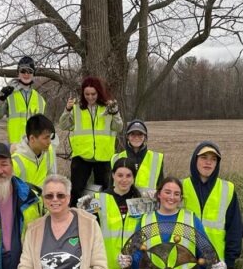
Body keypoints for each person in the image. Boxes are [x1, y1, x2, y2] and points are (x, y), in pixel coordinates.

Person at [59, 76, 123, 206]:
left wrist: (115, 113)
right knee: (75, 191)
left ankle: (102, 221)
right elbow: (63, 125)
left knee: (105, 193)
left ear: (99, 92)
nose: (90, 97)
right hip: (81, 156)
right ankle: (74, 218)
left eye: (93, 94)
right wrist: (67, 109)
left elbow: (119, 127)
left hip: (103, 156)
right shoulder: (77, 107)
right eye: (87, 94)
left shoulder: (108, 107)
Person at [0, 56, 46, 144]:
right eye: (23, 71)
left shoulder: (40, 99)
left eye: (30, 71)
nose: (26, 74)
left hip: (35, 147)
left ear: (33, 74)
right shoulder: (9, 94)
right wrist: (1, 99)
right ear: (18, 73)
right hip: (15, 148)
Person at [111, 119, 164, 192]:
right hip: (122, 202)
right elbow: (111, 187)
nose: (136, 137)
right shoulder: (116, 158)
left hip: (148, 202)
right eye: (132, 134)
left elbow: (161, 186)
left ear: (145, 137)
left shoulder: (157, 158)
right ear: (127, 137)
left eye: (140, 134)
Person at [11, 114, 56, 188]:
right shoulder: (15, 162)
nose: (49, 142)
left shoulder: (48, 150)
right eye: (46, 138)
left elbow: (51, 178)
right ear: (32, 139)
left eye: (50, 137)